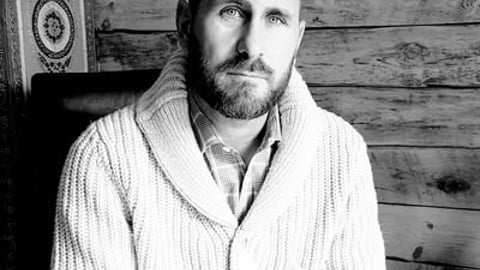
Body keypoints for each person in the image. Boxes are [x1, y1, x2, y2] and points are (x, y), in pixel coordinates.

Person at [51, 0, 386, 268]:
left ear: (297, 40)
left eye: (276, 18)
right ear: (186, 23)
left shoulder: (342, 152)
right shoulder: (103, 157)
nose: (252, 47)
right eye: (232, 11)